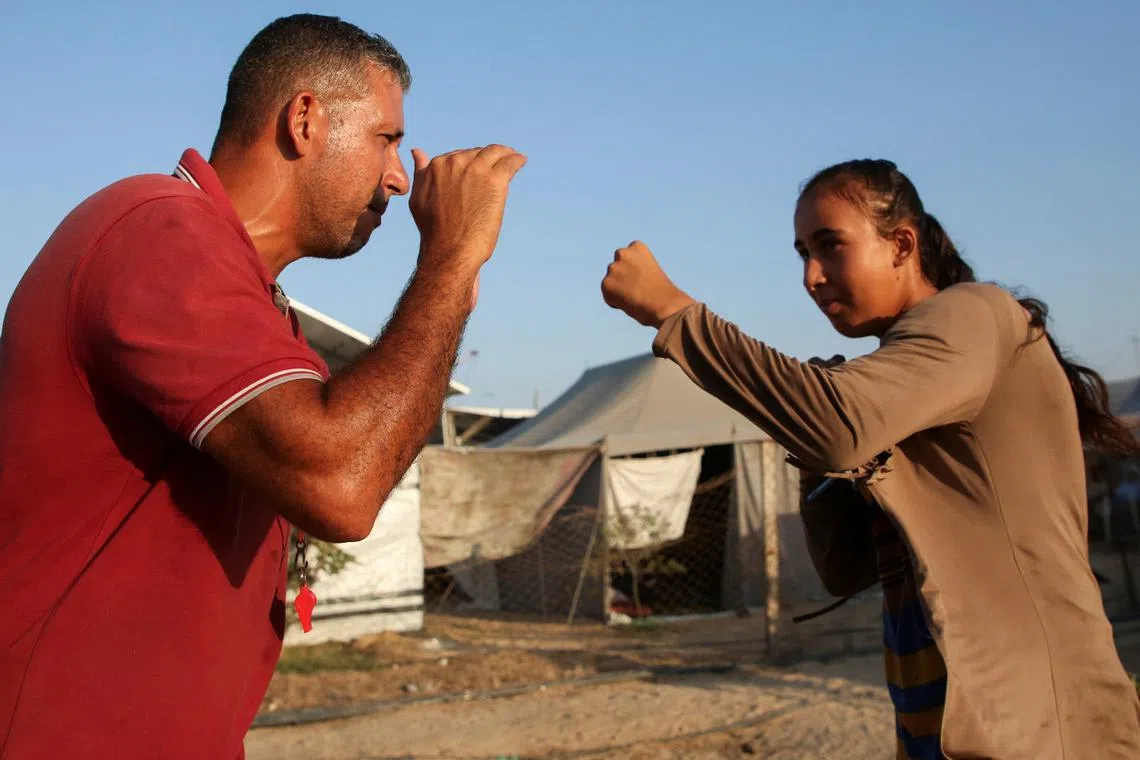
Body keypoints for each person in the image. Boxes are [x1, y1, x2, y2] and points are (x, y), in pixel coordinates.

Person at [0, 14, 524, 759]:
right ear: (305, 119)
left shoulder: (259, 308)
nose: (400, 177)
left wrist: (450, 286)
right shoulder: (158, 233)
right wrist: (445, 262)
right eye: (386, 138)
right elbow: (341, 483)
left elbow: (357, 458)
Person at [601, 158, 1140, 759]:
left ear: (901, 244)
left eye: (830, 246)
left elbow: (840, 428)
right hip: (940, 721)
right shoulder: (901, 377)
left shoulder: (973, 313)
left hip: (1037, 726)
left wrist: (674, 314)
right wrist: (813, 439)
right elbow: (845, 567)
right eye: (802, 251)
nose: (810, 275)